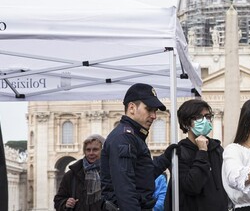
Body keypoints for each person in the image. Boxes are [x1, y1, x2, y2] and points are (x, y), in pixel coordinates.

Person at [100, 83, 177, 211]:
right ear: (132, 108)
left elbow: (143, 176)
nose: (154, 116)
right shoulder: (124, 138)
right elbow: (125, 188)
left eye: (155, 111)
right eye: (149, 109)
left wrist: (165, 158)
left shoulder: (134, 136)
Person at [168, 99, 228, 211]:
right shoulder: (178, 152)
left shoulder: (217, 149)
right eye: (199, 117)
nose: (205, 121)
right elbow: (192, 186)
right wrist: (202, 152)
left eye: (207, 116)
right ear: (186, 123)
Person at [54, 134, 105, 211]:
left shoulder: (111, 174)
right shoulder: (71, 175)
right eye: (88, 150)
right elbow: (58, 201)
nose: (91, 153)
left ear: (103, 151)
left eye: (95, 150)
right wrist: (65, 203)